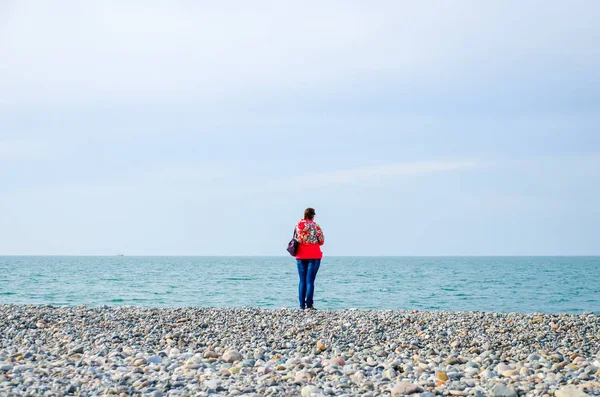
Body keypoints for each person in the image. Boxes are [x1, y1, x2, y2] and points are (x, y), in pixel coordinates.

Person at [295, 208, 325, 310]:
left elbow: (296, 238)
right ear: (313, 215)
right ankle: (309, 305)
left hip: (300, 256)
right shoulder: (315, 226)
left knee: (302, 281)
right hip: (314, 255)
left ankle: (301, 306)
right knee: (310, 281)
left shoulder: (298, 225)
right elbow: (321, 241)